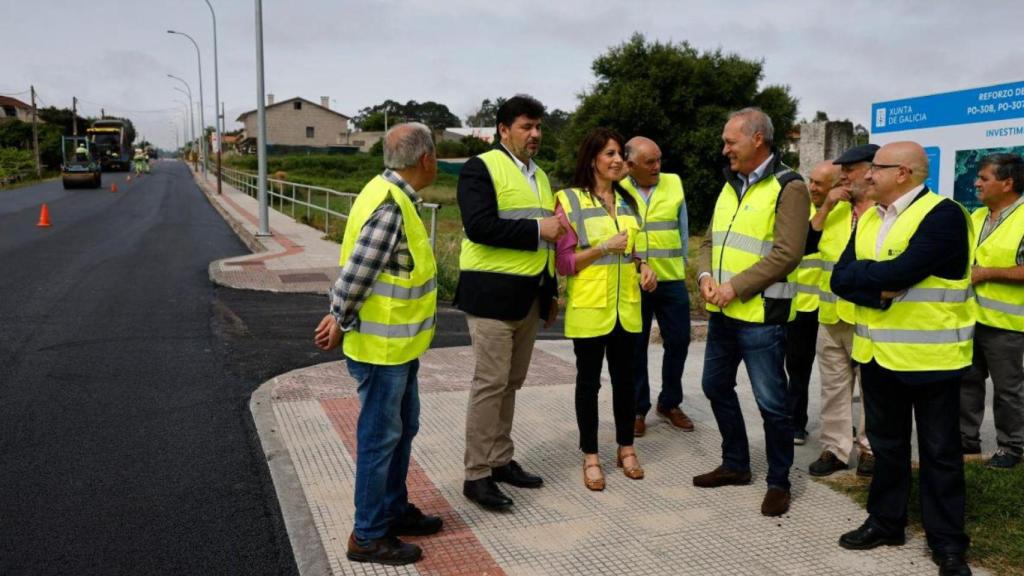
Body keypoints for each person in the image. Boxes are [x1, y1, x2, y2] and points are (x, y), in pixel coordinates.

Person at [831, 141, 973, 576]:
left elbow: (899, 273)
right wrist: (881, 290)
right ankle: (886, 522)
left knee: (940, 454)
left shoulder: (943, 215)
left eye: (877, 168)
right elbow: (841, 278)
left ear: (905, 174)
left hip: (931, 358)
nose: (867, 175)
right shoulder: (872, 217)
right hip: (877, 355)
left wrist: (881, 281)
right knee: (888, 449)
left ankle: (947, 543)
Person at [314, 123, 443, 566]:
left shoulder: (390, 194)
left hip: (399, 349)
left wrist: (338, 315)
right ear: (425, 159)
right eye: (436, 154)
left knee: (400, 432)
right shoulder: (391, 206)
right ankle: (367, 536)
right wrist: (338, 315)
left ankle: (391, 511)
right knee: (379, 439)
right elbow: (356, 275)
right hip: (381, 352)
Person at [693, 107, 809, 517]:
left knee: (772, 404)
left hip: (762, 317)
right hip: (724, 313)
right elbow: (709, 240)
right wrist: (706, 276)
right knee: (715, 386)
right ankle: (736, 464)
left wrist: (734, 287)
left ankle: (779, 481)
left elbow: (788, 253)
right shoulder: (730, 185)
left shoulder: (789, 186)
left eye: (731, 141)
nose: (725, 149)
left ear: (758, 139)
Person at [456, 95, 563, 511]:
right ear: (503, 129)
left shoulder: (541, 176)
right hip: (491, 297)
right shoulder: (479, 167)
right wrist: (540, 228)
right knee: (490, 385)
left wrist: (550, 290)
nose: (534, 134)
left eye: (538, 127)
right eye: (526, 127)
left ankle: (500, 461)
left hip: (529, 297)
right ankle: (476, 475)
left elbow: (549, 242)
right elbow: (480, 227)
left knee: (511, 384)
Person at [555, 128, 657, 490]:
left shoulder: (629, 202)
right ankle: (591, 455)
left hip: (626, 309)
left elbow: (633, 253)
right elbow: (564, 264)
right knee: (588, 383)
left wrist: (644, 267)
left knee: (626, 383)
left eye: (620, 155)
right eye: (610, 154)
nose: (618, 161)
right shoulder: (568, 201)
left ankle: (626, 448)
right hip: (590, 309)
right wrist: (603, 248)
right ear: (593, 158)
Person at [806, 145, 879, 478]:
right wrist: (828, 204)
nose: (844, 176)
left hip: (868, 316)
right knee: (833, 387)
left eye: (850, 169)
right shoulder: (833, 210)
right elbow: (807, 243)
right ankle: (836, 449)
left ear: (871, 170)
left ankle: (870, 450)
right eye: (843, 170)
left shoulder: (884, 212)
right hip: (830, 315)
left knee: (872, 389)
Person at [619, 136, 693, 437]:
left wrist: (683, 265)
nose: (657, 167)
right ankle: (638, 408)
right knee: (635, 348)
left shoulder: (673, 183)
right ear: (630, 164)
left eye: (659, 159)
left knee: (679, 341)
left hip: (671, 279)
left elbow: (684, 229)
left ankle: (670, 402)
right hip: (634, 281)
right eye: (650, 162)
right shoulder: (618, 187)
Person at [960, 153, 1024, 469]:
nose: (977, 183)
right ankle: (965, 440)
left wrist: (986, 272)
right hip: (970, 319)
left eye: (984, 178)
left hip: (1008, 324)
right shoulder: (975, 218)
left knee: (1008, 390)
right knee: (966, 383)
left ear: (1007, 182)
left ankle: (1012, 448)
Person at [788, 161, 837, 444]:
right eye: (812, 181)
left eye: (819, 184)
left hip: (834, 305)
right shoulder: (801, 211)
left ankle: (839, 425)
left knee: (838, 374)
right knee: (797, 368)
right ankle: (796, 422)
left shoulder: (847, 215)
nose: (812, 187)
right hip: (803, 305)